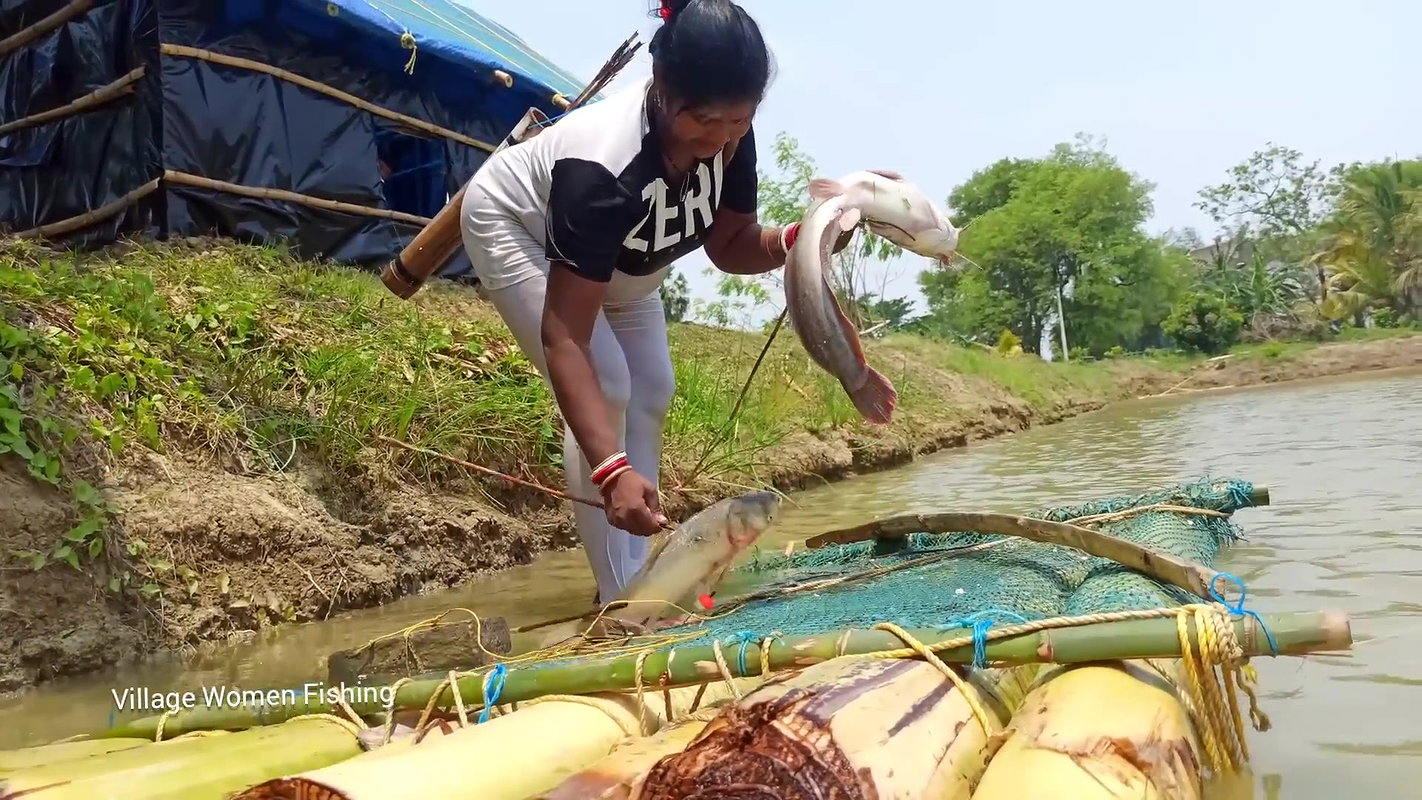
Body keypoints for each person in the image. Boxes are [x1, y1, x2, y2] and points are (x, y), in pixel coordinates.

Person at [459, 0, 851, 604]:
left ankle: (640, 580)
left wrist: (802, 238)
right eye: (705, 122)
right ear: (662, 85)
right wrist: (610, 470)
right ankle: (620, 599)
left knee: (653, 387)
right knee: (609, 384)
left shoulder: (730, 133)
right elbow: (566, 336)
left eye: (738, 122)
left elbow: (731, 245)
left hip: (622, 265)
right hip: (520, 228)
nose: (719, 139)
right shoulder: (604, 166)